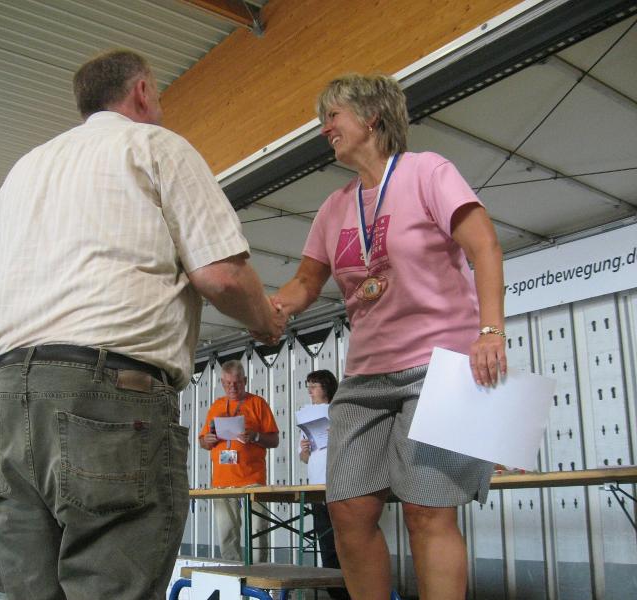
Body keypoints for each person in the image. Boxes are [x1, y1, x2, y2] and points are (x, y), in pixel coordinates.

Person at [0, 49, 285, 600]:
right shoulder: (156, 146)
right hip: (108, 395)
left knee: (32, 589)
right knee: (111, 586)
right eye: (156, 92)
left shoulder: (25, 169)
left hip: (13, 395)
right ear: (140, 91)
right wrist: (266, 323)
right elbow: (222, 276)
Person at [270, 73, 506, 600]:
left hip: (437, 366)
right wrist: (269, 307)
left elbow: (485, 246)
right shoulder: (334, 207)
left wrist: (491, 331)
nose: (324, 128)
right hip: (365, 376)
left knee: (427, 510)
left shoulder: (428, 172)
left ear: (371, 115)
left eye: (332, 116)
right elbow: (306, 282)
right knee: (347, 511)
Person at [198, 360, 279, 562]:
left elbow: (274, 440)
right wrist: (207, 440)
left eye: (237, 383)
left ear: (245, 380)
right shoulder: (216, 406)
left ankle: (260, 573)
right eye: (227, 384)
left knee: (258, 528)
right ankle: (232, 573)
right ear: (222, 383)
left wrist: (255, 436)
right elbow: (203, 441)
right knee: (226, 532)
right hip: (222, 480)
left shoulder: (257, 403)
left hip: (253, 479)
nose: (232, 388)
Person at [298, 370, 350, 600]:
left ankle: (352, 589)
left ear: (326, 387)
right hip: (316, 486)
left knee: (346, 540)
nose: (310, 391)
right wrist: (305, 450)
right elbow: (304, 457)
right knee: (326, 542)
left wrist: (338, 434)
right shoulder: (306, 415)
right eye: (308, 386)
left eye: (314, 386)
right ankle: (337, 593)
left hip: (340, 485)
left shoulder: (339, 411)